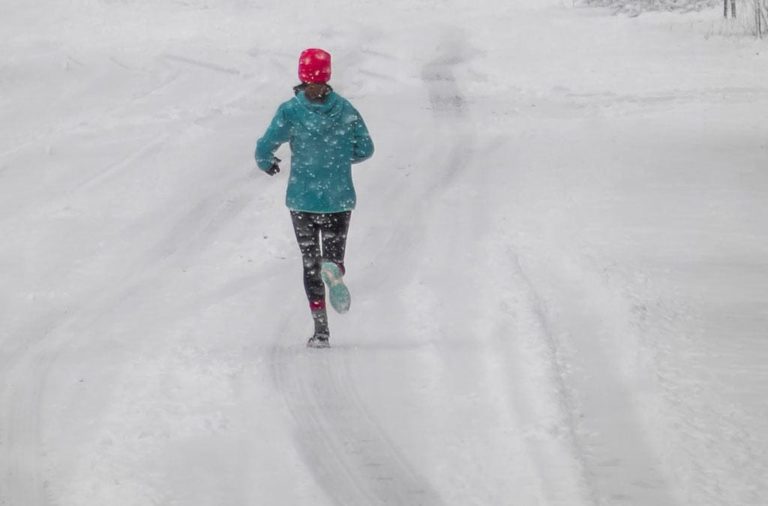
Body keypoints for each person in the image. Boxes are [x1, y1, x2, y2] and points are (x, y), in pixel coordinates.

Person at [255, 48, 375, 348]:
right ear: (328, 75)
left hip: (303, 199)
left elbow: (265, 145)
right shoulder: (345, 109)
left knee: (310, 263)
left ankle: (321, 331)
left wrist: (267, 162)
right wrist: (339, 158)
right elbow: (366, 148)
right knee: (332, 257)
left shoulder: (290, 111)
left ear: (302, 75)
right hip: (338, 198)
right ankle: (334, 268)